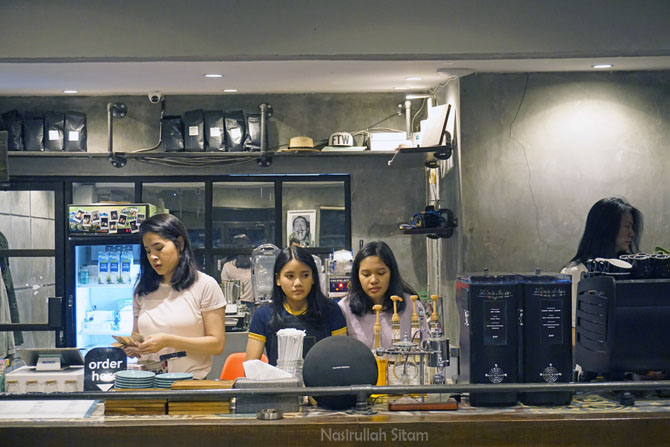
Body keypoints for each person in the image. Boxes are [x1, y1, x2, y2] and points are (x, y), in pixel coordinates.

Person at [126, 214, 227, 379]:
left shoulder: (204, 285)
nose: (153, 257)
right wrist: (133, 347)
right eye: (148, 251)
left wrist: (169, 341)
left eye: (159, 248)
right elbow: (136, 334)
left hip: (190, 383)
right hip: (148, 382)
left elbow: (217, 345)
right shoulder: (143, 289)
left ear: (180, 244)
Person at [245, 245, 347, 365]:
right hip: (278, 377)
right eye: (290, 276)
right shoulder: (262, 315)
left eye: (305, 275)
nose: (298, 283)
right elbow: (251, 367)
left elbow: (342, 361)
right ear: (278, 279)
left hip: (322, 377)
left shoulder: (331, 311)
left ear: (313, 278)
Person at [561, 197, 643, 328]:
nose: (632, 234)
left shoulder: (631, 269)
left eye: (632, 227)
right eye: (627, 226)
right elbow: (573, 327)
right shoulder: (575, 273)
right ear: (607, 229)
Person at [338, 241, 429, 350]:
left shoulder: (412, 306)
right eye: (366, 274)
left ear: (392, 273)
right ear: (357, 276)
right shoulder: (344, 309)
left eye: (381, 273)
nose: (373, 280)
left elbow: (426, 348)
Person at [220, 233, 253, 307]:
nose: (244, 256)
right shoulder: (227, 267)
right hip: (235, 305)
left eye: (246, 248)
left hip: (254, 304)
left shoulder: (257, 265)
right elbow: (226, 292)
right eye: (241, 248)